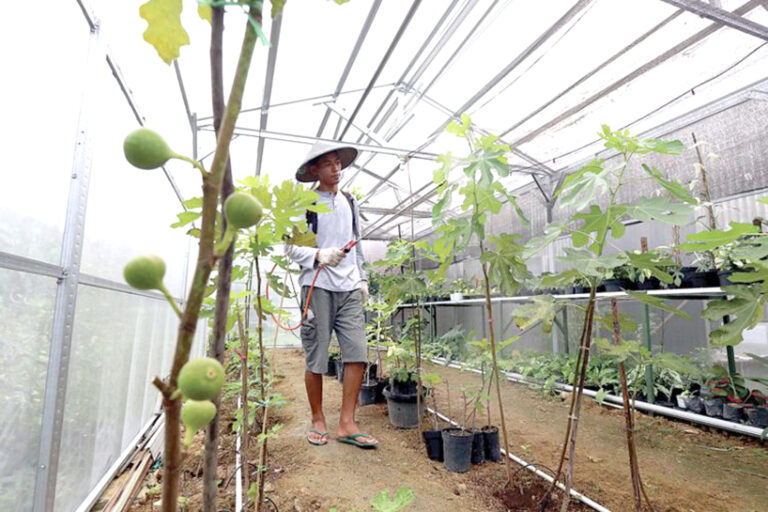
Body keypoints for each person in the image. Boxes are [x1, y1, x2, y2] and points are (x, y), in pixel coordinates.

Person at [284, 141, 378, 449]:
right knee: (317, 356)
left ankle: (347, 423)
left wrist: (362, 278)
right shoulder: (304, 204)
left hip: (349, 288)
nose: (336, 168)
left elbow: (356, 242)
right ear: (314, 170)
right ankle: (318, 420)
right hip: (317, 286)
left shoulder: (349, 201)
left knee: (357, 353)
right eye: (328, 164)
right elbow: (289, 247)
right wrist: (318, 254)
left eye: (338, 162)